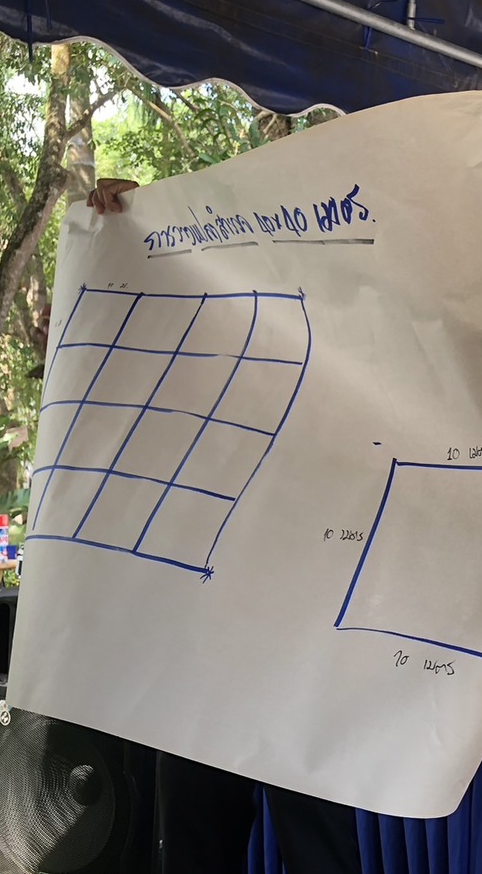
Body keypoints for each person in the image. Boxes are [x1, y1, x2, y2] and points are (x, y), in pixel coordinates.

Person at [83, 177, 364, 874]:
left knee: (321, 855)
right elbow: (129, 345)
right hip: (202, 667)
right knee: (194, 850)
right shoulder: (191, 381)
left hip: (300, 662)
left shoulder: (334, 384)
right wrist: (131, 230)